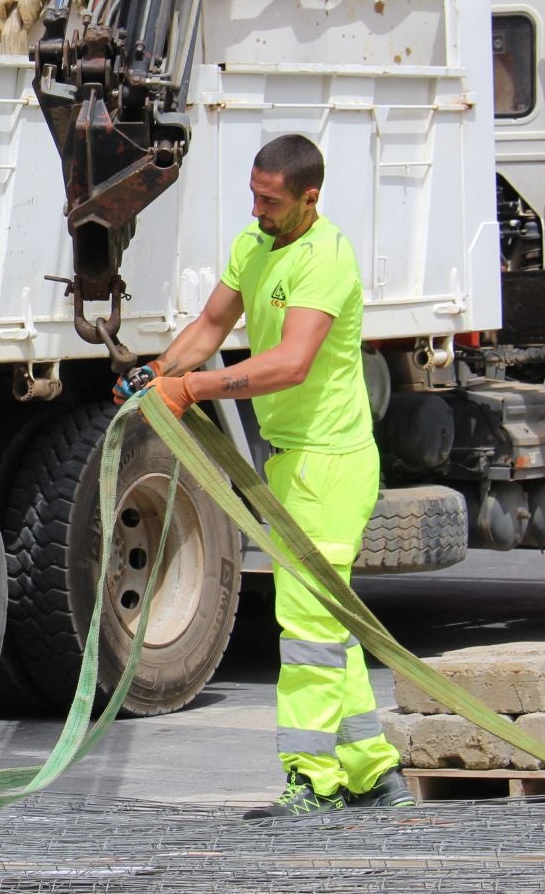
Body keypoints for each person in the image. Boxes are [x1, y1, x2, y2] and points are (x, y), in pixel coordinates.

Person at [114, 133, 415, 818]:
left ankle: (313, 779)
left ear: (310, 199)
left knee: (307, 623)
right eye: (253, 194)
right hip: (290, 461)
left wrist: (194, 391)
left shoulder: (325, 257)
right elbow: (211, 324)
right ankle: (371, 773)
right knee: (328, 622)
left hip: (332, 465)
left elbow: (290, 363)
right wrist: (160, 372)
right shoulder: (255, 247)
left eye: (270, 200)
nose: (257, 209)